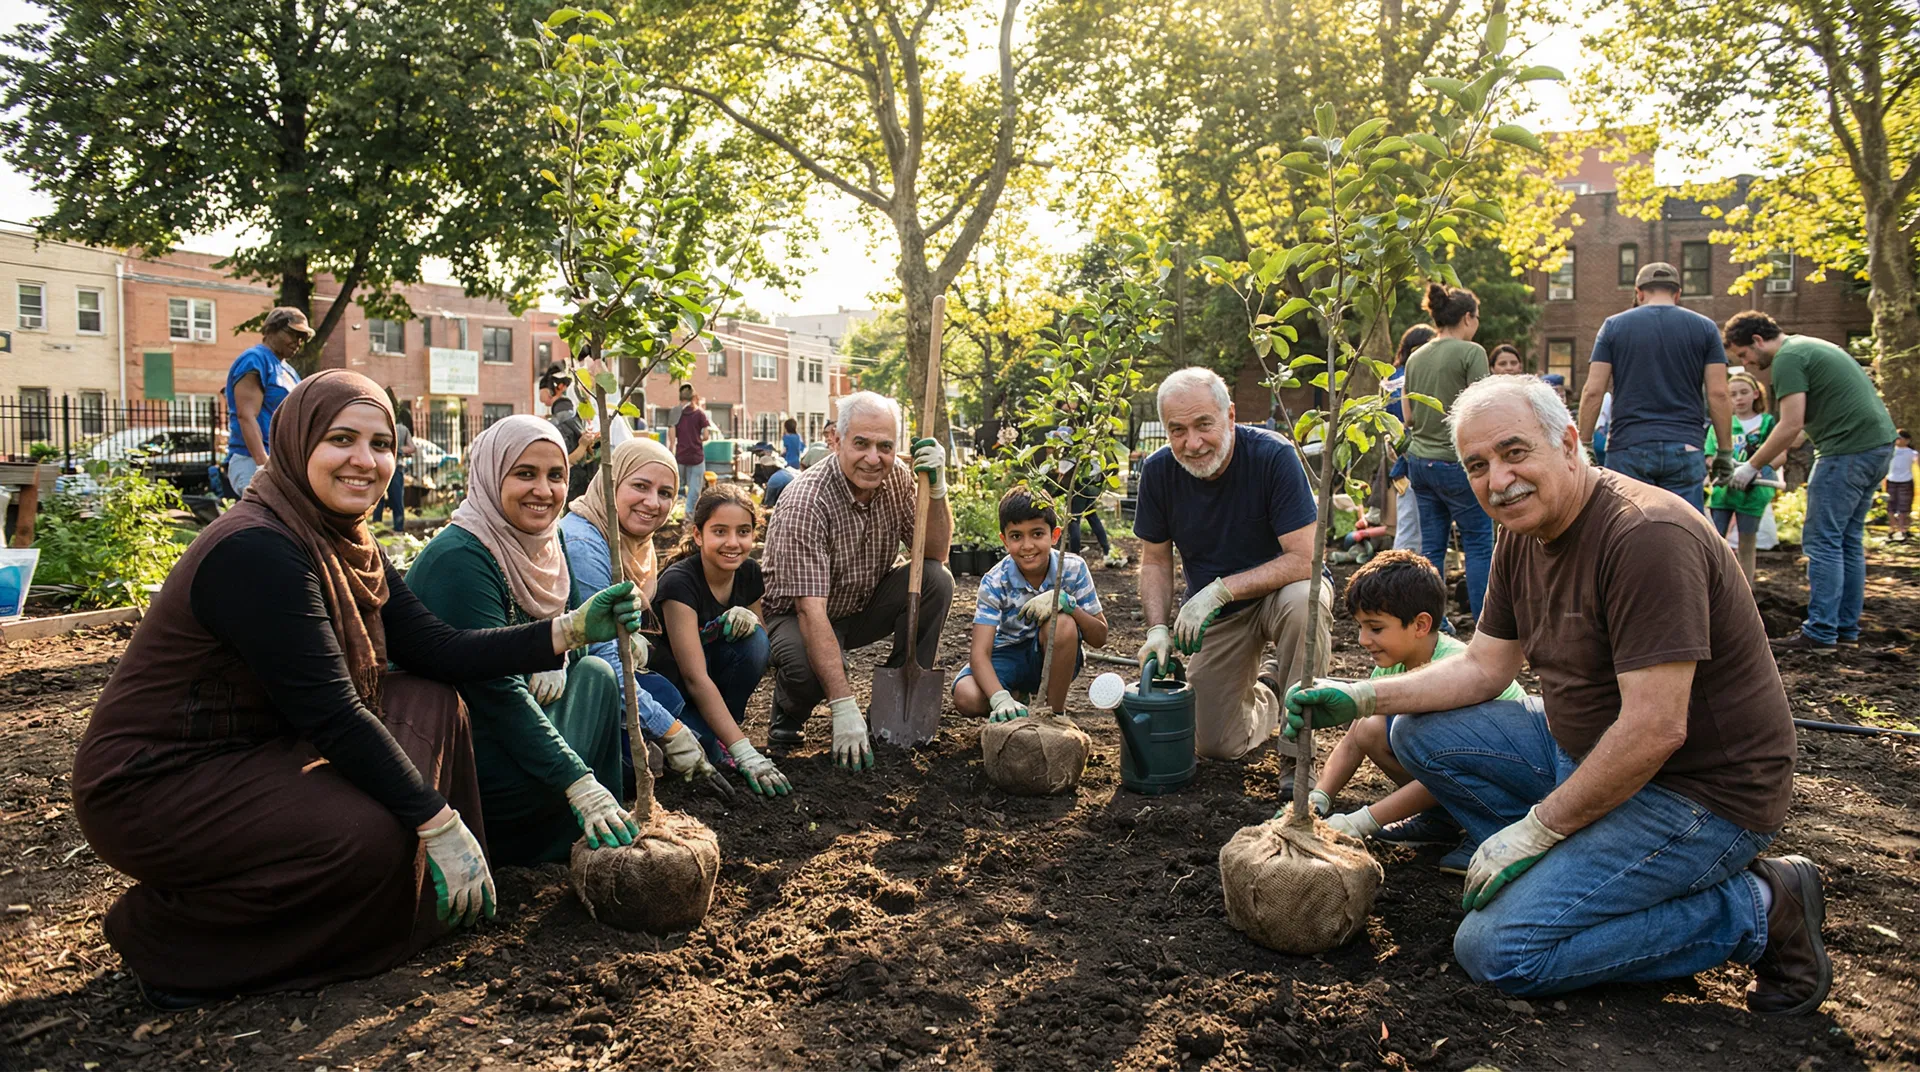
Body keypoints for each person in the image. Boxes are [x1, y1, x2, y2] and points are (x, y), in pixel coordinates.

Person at [71, 371, 646, 1007]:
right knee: (370, 836)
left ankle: (409, 882)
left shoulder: (346, 538)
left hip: (256, 750)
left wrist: (567, 630)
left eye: (381, 443)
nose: (365, 461)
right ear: (297, 443)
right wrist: (437, 821)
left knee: (431, 696)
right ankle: (169, 941)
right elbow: (334, 714)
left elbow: (437, 649)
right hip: (159, 782)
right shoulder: (259, 548)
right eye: (342, 439)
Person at [1286, 375, 1822, 1015]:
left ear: (1569, 442)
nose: (1498, 479)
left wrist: (1536, 831)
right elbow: (1484, 667)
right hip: (1584, 748)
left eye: (1515, 453)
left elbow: (1655, 729)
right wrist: (1363, 697)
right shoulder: (1523, 531)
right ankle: (1570, 877)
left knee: (1498, 950)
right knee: (1415, 728)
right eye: (1477, 465)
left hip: (1697, 791)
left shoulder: (1646, 535)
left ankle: (1759, 907)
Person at [405, 416, 635, 865]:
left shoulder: (549, 543)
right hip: (463, 756)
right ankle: (528, 841)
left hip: (514, 720)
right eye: (524, 474)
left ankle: (599, 827)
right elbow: (492, 690)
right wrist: (577, 782)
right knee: (560, 775)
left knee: (597, 675)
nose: (544, 491)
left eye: (556, 476)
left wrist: (558, 657)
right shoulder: (461, 557)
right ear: (492, 476)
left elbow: (580, 635)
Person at [1134, 367, 1328, 761]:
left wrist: (1220, 590)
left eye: (1204, 424)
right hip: (1222, 612)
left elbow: (1305, 558)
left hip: (1280, 591)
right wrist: (1157, 627)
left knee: (1304, 604)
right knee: (1215, 744)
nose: (1193, 443)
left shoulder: (1273, 457)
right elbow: (1155, 561)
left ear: (1231, 416)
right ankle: (1272, 693)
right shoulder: (1158, 473)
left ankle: (1298, 755)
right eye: (1177, 430)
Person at [761, 391, 952, 768]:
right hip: (796, 617)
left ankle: (895, 705)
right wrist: (843, 707)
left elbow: (934, 552)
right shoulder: (806, 502)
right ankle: (789, 710)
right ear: (836, 440)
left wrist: (937, 489)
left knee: (936, 580)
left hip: (860, 604)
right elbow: (810, 613)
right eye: (861, 443)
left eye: (885, 446)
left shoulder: (897, 477)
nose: (873, 458)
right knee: (807, 666)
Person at [1307, 550, 1524, 871]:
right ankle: (1442, 819)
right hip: (1461, 778)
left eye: (1375, 628)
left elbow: (1449, 767)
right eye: (1360, 627)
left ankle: (1492, 829)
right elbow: (1354, 740)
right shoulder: (1391, 666)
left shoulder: (1454, 669)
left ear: (1421, 624)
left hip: (1513, 788)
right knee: (1369, 727)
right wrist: (1319, 798)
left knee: (1415, 736)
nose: (1362, 640)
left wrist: (1363, 820)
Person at [1722, 312, 1897, 652]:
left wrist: (1750, 467)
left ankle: (1819, 632)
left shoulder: (1788, 358)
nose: (1748, 364)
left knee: (1822, 541)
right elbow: (1801, 429)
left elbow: (1790, 424)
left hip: (1846, 451)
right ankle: (1844, 629)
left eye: (1744, 355)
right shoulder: (1810, 347)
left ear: (1758, 340)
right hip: (1876, 446)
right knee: (1847, 540)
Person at [559, 436, 722, 786]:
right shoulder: (584, 545)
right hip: (574, 688)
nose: (653, 502)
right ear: (611, 484)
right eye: (640, 486)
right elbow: (603, 662)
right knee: (636, 765)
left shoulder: (635, 546)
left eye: (665, 493)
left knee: (706, 744)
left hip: (616, 674)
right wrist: (672, 732)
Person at [654, 484, 787, 796]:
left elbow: (760, 649)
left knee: (753, 640)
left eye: (743, 532)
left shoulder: (749, 572)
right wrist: (743, 749)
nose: (733, 543)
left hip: (713, 684)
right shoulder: (679, 583)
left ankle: (725, 732)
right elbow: (693, 676)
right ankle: (718, 739)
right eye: (720, 531)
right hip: (675, 695)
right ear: (698, 535)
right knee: (704, 754)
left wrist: (750, 621)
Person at [1577, 262, 1735, 511]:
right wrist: (1725, 452)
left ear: (1639, 293)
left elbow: (1593, 391)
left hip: (1628, 445)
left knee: (1627, 531)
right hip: (1685, 445)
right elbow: (1719, 393)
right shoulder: (1705, 328)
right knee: (1684, 532)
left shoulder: (1613, 326)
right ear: (1678, 294)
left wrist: (1584, 444)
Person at [953, 486, 1109, 719]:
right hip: (1007, 654)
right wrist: (998, 697)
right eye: (1017, 536)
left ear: (1055, 535)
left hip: (1056, 656)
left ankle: (1054, 715)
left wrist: (1069, 606)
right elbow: (979, 653)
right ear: (1004, 541)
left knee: (1062, 624)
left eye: (1037, 534)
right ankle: (1015, 697)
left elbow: (1100, 637)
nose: (1027, 546)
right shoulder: (995, 581)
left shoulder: (1073, 569)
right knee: (966, 695)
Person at [1403, 283, 1495, 621]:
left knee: (1432, 549)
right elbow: (1482, 409)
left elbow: (1409, 416)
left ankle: (1434, 622)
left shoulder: (1415, 356)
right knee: (1478, 543)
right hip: (1457, 464)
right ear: (1467, 317)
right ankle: (1488, 622)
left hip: (1420, 464)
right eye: (1478, 318)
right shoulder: (1472, 353)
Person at [223, 306, 309, 495]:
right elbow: (246, 416)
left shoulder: (289, 371)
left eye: (302, 337)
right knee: (265, 519)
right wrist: (263, 465)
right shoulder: (254, 360)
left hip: (279, 463)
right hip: (252, 461)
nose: (298, 341)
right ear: (271, 329)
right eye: (292, 333)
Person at [1704, 372, 1779, 582]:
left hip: (1755, 491)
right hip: (1724, 491)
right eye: (1733, 394)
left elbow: (1779, 453)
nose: (1739, 398)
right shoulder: (1721, 423)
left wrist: (1754, 470)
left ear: (1755, 394)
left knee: (1747, 541)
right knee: (1716, 539)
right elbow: (1710, 455)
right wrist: (1724, 469)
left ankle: (1746, 588)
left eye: (1744, 392)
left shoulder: (1766, 423)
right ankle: (1716, 584)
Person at [1386, 325, 1435, 554]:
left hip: (1406, 457)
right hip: (1415, 456)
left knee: (1412, 527)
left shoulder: (1393, 376)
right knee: (1414, 530)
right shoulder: (1407, 377)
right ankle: (1400, 581)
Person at [540, 369, 601, 504]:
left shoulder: (556, 426)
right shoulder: (569, 424)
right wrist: (584, 445)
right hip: (573, 485)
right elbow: (566, 462)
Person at [667, 384, 711, 516]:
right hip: (696, 457)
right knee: (694, 490)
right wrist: (697, 439)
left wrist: (672, 450)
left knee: (678, 487)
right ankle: (688, 516)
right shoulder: (699, 413)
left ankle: (672, 513)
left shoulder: (675, 412)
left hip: (681, 456)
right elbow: (706, 436)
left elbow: (672, 438)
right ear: (693, 397)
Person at [385, 412, 415, 533]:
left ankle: (377, 525)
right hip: (396, 467)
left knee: (380, 500)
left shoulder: (383, 424)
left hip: (386, 466)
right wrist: (400, 450)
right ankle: (398, 528)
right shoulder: (403, 429)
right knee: (397, 500)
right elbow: (412, 448)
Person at [1889, 429, 1916, 542]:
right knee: (1890, 505)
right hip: (1891, 480)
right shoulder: (1890, 451)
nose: (1898, 440)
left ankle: (1902, 530)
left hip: (1906, 481)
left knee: (1904, 506)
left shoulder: (1912, 453)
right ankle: (1892, 528)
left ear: (1907, 440)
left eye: (1900, 438)